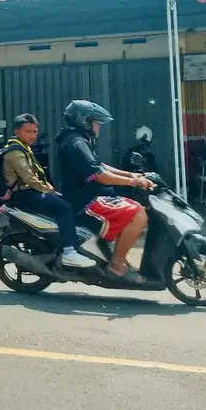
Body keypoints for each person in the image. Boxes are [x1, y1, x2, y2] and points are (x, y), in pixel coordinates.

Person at [55, 100, 153, 283]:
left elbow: (100, 166)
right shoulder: (75, 143)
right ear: (83, 121)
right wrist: (133, 181)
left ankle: (117, 257)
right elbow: (98, 175)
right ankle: (116, 265)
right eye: (95, 122)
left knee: (138, 208)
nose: (98, 126)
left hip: (94, 196)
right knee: (139, 215)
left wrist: (132, 174)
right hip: (86, 201)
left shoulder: (80, 139)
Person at [3, 114, 95, 268]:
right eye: (28, 131)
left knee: (70, 204)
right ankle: (69, 252)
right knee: (65, 208)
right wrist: (48, 189)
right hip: (25, 194)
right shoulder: (15, 152)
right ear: (17, 132)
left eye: (35, 131)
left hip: (31, 191)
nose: (33, 135)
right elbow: (29, 178)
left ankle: (71, 243)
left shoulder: (23, 147)